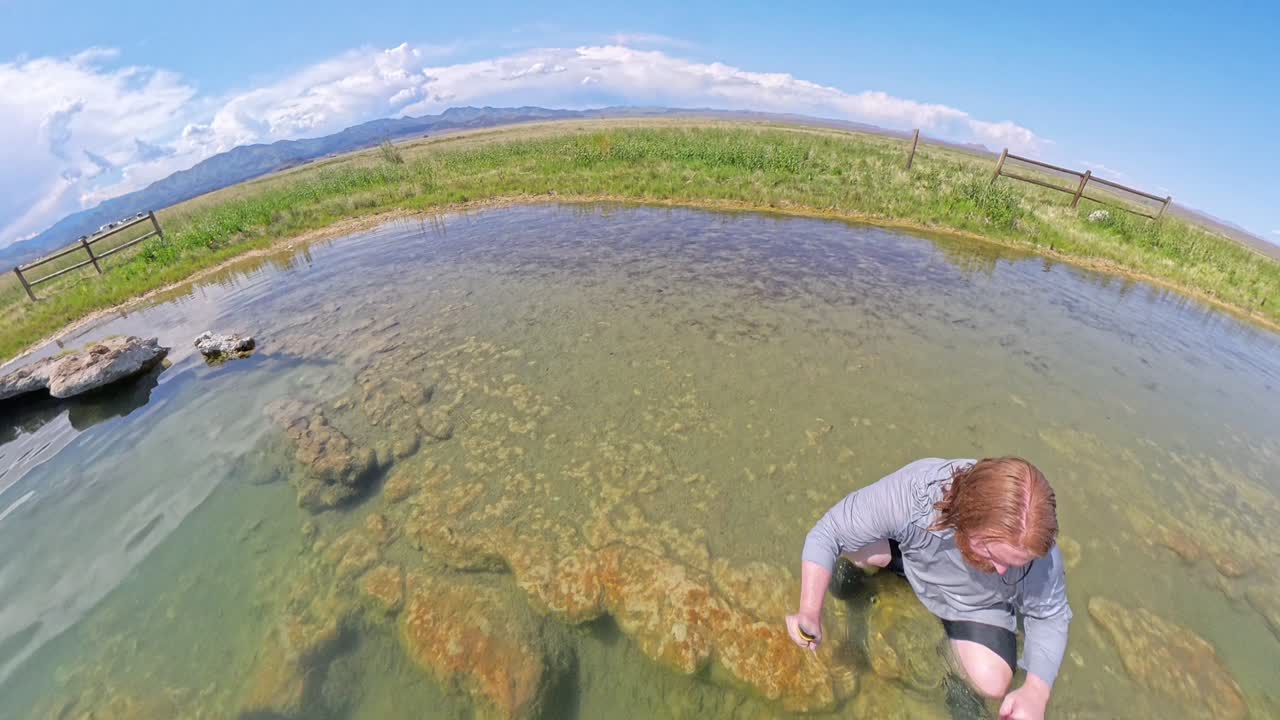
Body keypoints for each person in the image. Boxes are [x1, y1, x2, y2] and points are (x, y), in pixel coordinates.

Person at [786, 457, 1070, 720]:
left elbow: (1050, 615)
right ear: (966, 515)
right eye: (993, 554)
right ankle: (864, 587)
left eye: (1016, 563)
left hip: (976, 606)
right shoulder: (915, 493)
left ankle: (952, 663)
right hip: (911, 561)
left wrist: (1036, 690)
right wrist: (810, 610)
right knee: (850, 547)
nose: (1001, 570)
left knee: (994, 682)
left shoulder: (1040, 554)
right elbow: (828, 532)